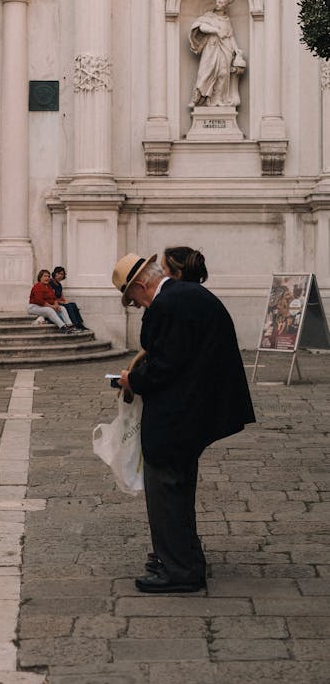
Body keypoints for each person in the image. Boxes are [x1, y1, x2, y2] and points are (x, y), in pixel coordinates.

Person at [112, 253, 255, 594]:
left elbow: (165, 365)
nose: (137, 306)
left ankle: (179, 570)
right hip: (197, 407)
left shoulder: (167, 305)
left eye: (134, 299)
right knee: (178, 486)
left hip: (180, 412)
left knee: (165, 488)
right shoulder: (185, 295)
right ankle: (183, 557)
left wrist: (133, 382)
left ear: (142, 285)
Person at [189, 0, 245, 108]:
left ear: (225, 5)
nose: (218, 4)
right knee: (204, 73)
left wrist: (236, 49)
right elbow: (201, 27)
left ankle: (217, 99)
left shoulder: (226, 20)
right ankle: (197, 99)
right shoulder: (209, 16)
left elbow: (231, 36)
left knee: (223, 74)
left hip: (226, 48)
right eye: (217, 2)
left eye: (221, 2)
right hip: (211, 47)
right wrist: (215, 30)